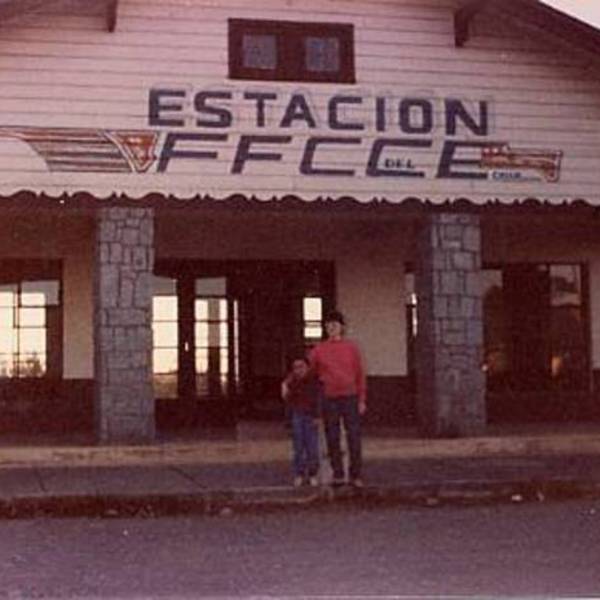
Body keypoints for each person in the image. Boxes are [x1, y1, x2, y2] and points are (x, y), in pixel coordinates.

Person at [309, 310, 366, 488]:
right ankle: (338, 473)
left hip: (350, 396)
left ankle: (356, 474)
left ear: (342, 327)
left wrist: (362, 399)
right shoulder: (318, 350)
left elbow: (360, 374)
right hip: (329, 397)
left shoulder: (352, 348)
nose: (332, 328)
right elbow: (309, 372)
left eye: (335, 324)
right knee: (332, 436)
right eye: (328, 325)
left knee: (354, 435)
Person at [281, 356, 321, 487]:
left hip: (310, 416)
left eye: (301, 367)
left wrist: (317, 416)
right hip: (297, 416)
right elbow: (289, 403)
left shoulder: (314, 382)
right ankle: (299, 473)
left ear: (307, 367)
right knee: (298, 447)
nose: (299, 370)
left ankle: (313, 473)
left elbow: (318, 399)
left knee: (312, 447)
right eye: (295, 368)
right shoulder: (291, 383)